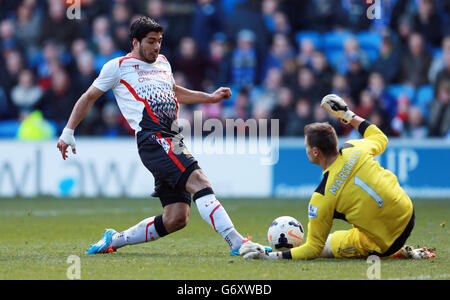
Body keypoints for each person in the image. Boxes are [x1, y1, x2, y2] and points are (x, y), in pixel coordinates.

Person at [56, 16, 258, 256]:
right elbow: (89, 96)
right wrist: (68, 131)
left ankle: (114, 240)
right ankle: (237, 243)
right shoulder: (117, 67)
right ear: (135, 42)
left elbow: (174, 92)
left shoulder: (163, 62)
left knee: (177, 217)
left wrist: (210, 97)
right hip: (153, 138)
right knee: (200, 182)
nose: (156, 47)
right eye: (151, 41)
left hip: (172, 137)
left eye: (159, 41)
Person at [239, 94, 435, 260]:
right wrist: (348, 115)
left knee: (329, 244)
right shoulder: (354, 147)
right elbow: (381, 138)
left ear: (315, 152)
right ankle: (405, 249)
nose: (305, 150)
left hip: (387, 243)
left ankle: (399, 253)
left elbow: (313, 248)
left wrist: (270, 256)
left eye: (307, 146)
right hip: (408, 214)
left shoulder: (322, 196)